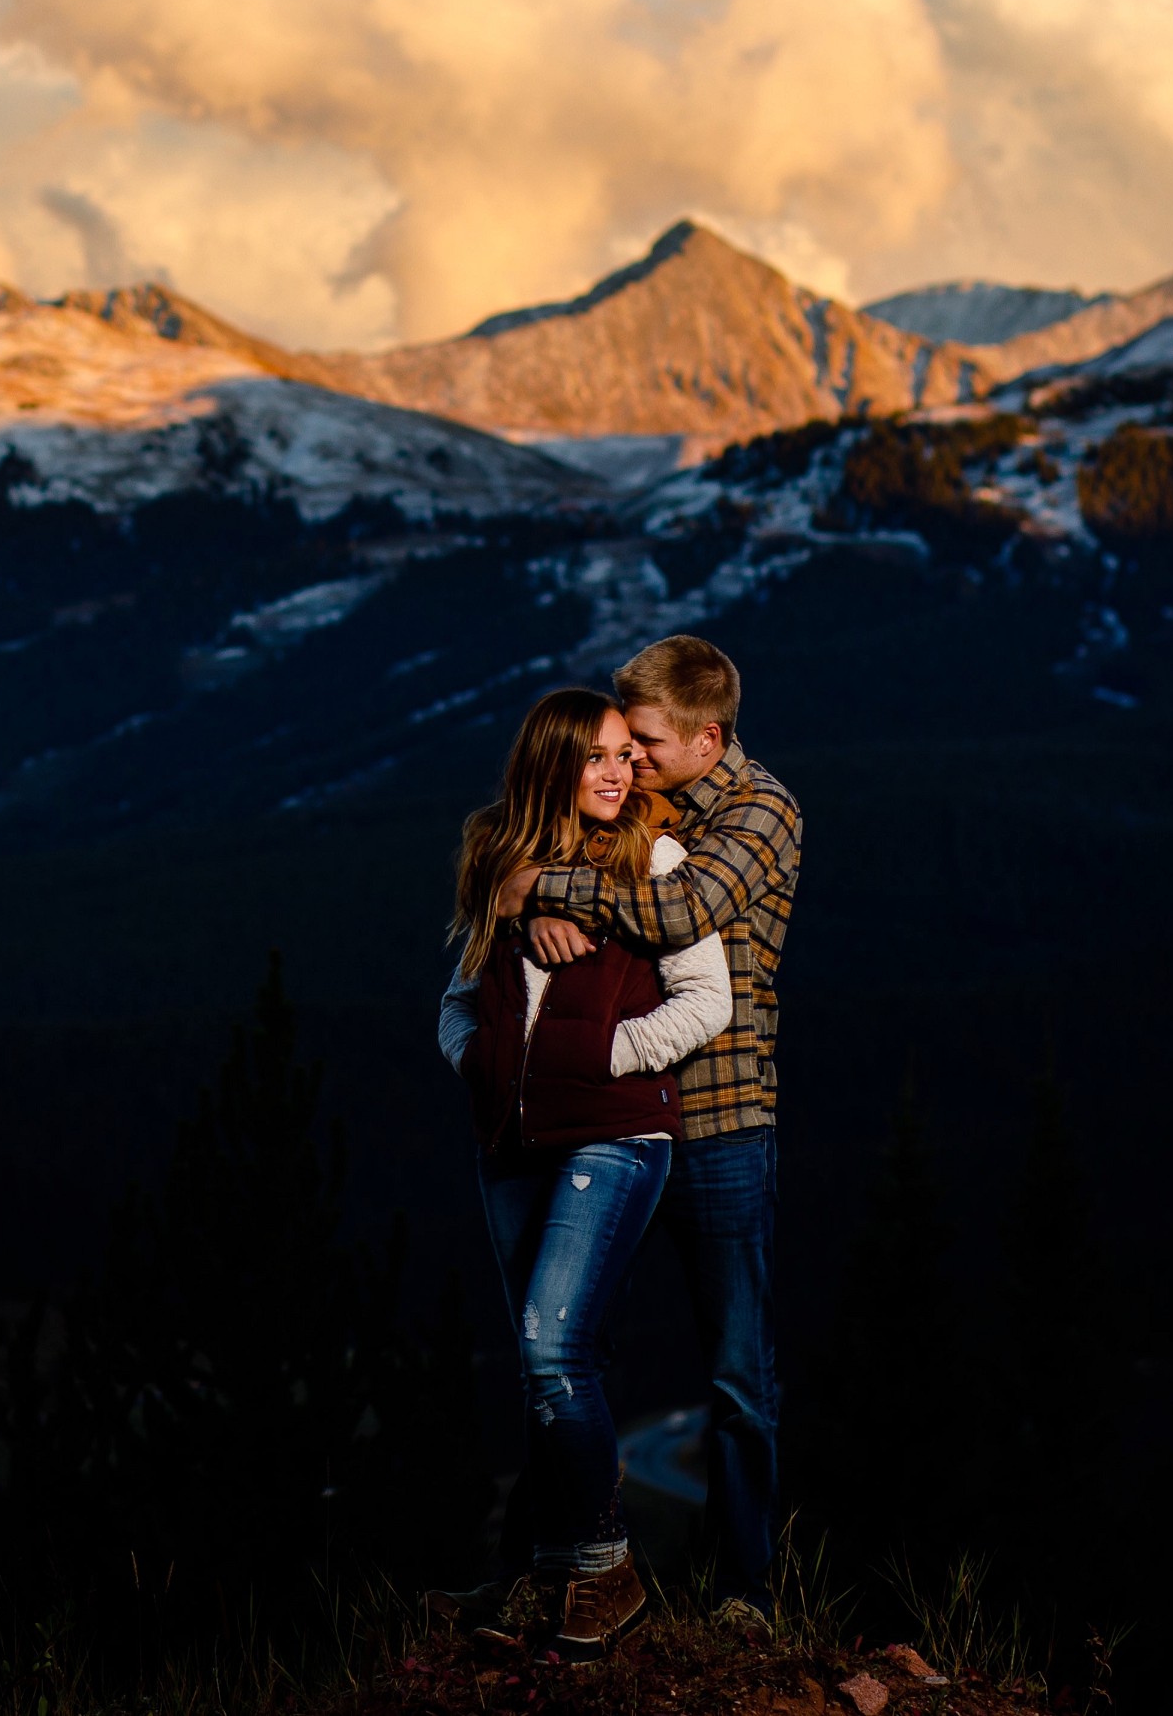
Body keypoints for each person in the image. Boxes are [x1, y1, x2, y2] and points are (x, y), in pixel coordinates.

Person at [428, 688, 732, 1662]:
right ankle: (552, 1568)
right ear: (548, 768)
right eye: (592, 757)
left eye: (620, 753)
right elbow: (455, 999)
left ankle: (605, 1565)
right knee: (548, 1365)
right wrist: (483, 1061)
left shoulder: (652, 858)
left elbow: (705, 1001)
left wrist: (594, 1060)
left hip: (614, 1133)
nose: (616, 771)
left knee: (550, 1347)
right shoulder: (496, 863)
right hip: (512, 1144)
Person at [523, 635, 802, 1634]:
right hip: (618, 1125)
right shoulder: (640, 806)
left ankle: (744, 1589)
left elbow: (681, 906)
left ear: (706, 736)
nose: (626, 758)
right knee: (562, 1342)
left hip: (722, 1120)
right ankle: (566, 1565)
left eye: (643, 742)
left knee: (734, 1368)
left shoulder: (760, 809)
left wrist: (543, 890)